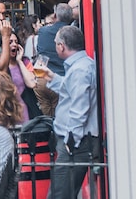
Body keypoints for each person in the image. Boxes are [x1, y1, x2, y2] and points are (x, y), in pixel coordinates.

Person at [43, 26, 99, 199]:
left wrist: (70, 141)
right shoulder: (82, 65)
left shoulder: (80, 69)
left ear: (61, 46)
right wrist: (52, 78)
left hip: (76, 142)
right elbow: (72, 92)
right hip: (76, 141)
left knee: (60, 193)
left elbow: (79, 109)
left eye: (55, 44)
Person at [35, 3, 75, 116]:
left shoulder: (43, 31)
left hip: (43, 79)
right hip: (64, 78)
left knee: (46, 114)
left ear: (55, 16)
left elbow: (39, 50)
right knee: (62, 112)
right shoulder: (73, 32)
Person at [7, 31, 38, 123]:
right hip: (9, 111)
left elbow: (32, 83)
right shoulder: (1, 65)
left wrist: (19, 61)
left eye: (16, 42)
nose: (14, 45)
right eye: (10, 42)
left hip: (25, 109)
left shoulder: (25, 62)